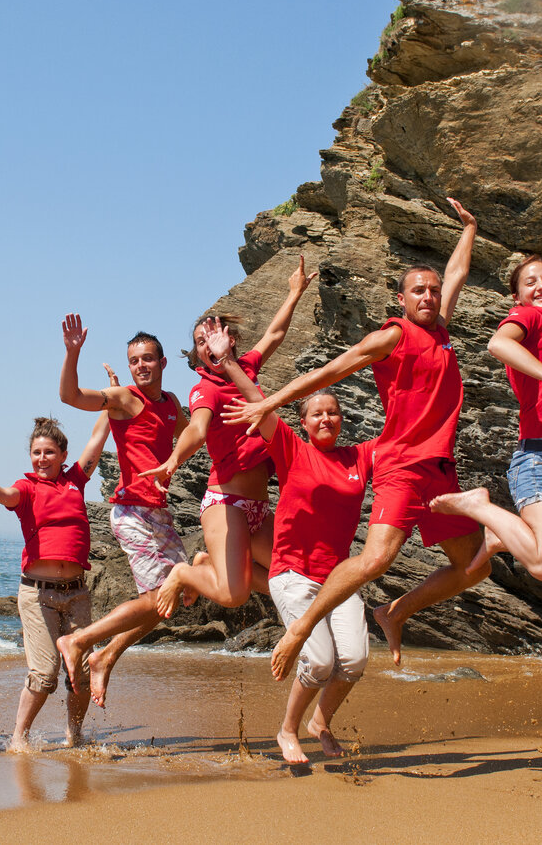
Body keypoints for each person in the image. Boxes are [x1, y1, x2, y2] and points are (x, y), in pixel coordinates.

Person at [225, 199, 486, 681]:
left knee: (475, 565)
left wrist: (469, 228)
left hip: (440, 468)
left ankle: (395, 612)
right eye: (418, 292)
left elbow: (456, 275)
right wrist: (268, 403)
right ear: (402, 300)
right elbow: (330, 370)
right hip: (402, 464)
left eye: (431, 291)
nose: (428, 296)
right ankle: (301, 627)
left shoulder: (443, 331)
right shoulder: (393, 336)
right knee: (377, 558)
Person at [379, 186, 542, 663]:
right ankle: (479, 506)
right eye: (531, 281)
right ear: (517, 294)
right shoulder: (524, 318)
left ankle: (501, 534)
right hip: (540, 457)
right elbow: (497, 345)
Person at [205, 319, 375, 764]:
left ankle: (321, 721)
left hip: (339, 578)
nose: (326, 418)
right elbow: (260, 403)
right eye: (316, 413)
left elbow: (401, 435)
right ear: (302, 421)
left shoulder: (359, 457)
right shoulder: (292, 449)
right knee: (318, 662)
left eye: (333, 412)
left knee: (354, 662)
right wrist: (225, 360)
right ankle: (287, 730)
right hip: (294, 575)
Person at [142, 256, 313, 616]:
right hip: (226, 504)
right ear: (199, 356)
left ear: (230, 339)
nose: (208, 344)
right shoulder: (206, 390)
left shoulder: (245, 368)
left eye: (213, 336)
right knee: (234, 594)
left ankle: (211, 561)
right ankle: (184, 573)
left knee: (292, 579)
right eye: (200, 342)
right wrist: (172, 461)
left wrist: (294, 292)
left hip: (258, 508)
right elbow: (197, 429)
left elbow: (275, 334)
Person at [54, 315, 192, 708]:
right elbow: (70, 396)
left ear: (163, 363)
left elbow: (190, 434)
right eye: (135, 360)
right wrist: (72, 353)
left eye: (148, 359)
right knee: (156, 598)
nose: (141, 366)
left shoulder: (170, 404)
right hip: (131, 512)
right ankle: (79, 641)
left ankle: (106, 655)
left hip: (159, 512)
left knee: (174, 600)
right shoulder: (123, 399)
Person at [0, 415, 110, 751]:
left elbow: (98, 439)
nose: (42, 458)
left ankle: (75, 735)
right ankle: (18, 739)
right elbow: (5, 494)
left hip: (77, 593)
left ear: (63, 455)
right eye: (36, 452)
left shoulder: (75, 481)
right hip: (38, 595)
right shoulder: (27, 488)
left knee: (80, 673)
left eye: (49, 452)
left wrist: (110, 403)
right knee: (45, 673)